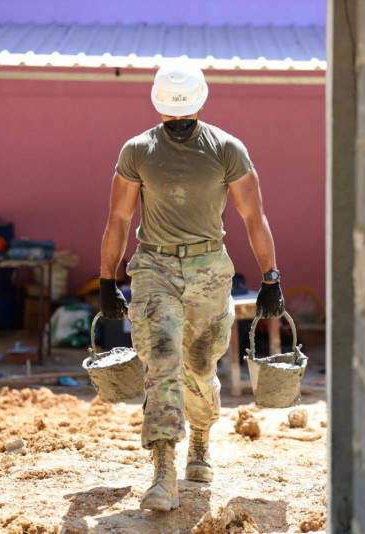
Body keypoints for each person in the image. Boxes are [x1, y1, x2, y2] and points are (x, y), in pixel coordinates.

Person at [99, 62, 284, 511]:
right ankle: (163, 471)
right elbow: (119, 218)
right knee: (161, 361)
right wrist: (107, 279)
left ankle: (200, 438)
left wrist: (271, 277)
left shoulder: (227, 149)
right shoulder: (137, 151)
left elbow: (253, 217)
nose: (179, 119)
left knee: (200, 365)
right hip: (154, 267)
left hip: (208, 269)